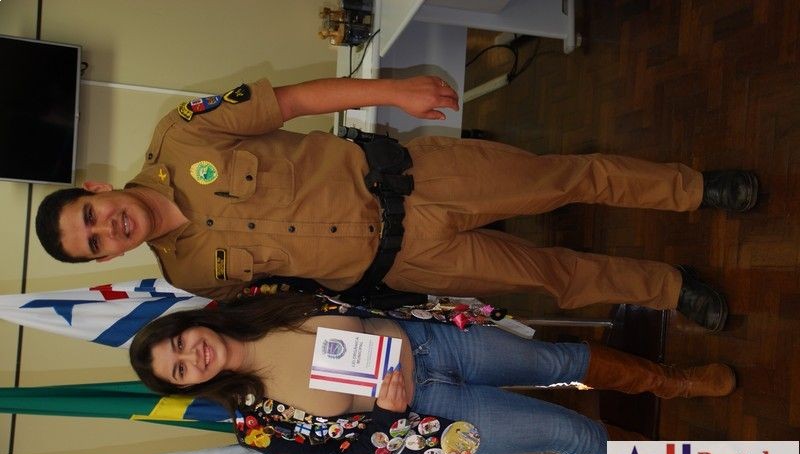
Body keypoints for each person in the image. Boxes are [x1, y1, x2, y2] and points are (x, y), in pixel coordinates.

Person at [37, 76, 758, 332]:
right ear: (105, 258)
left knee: (564, 178)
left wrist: (394, 91)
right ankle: (672, 290)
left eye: (91, 216)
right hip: (408, 261)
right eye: (95, 243)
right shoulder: (190, 276)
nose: (108, 229)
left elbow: (292, 101)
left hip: (415, 180)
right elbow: (289, 299)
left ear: (97, 190)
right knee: (552, 278)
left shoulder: (182, 132)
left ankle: (697, 190)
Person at [129, 293, 736, 454]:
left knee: (561, 358)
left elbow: (350, 283)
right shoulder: (257, 428)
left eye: (180, 343)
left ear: (189, 324)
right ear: (190, 385)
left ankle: (673, 383)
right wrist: (386, 417)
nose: (192, 356)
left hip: (433, 341)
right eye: (180, 369)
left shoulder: (259, 298)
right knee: (569, 434)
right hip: (431, 416)